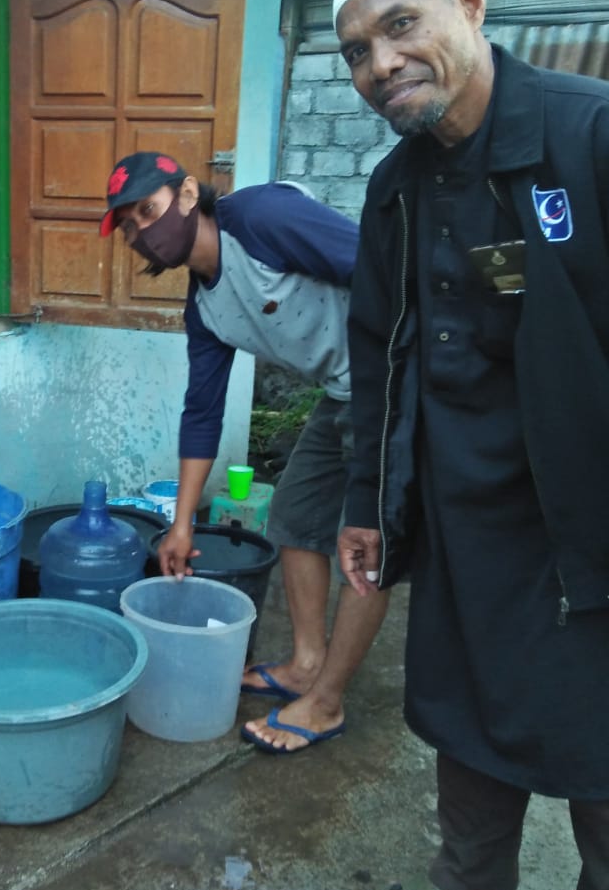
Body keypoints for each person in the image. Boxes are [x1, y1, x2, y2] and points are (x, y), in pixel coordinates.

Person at [332, 0, 609, 890]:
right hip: (471, 563)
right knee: (469, 808)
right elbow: (380, 365)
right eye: (355, 51)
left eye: (400, 25)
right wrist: (370, 504)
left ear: (470, 3)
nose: (380, 64)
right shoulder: (397, 189)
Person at [99, 151, 391, 756]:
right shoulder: (205, 310)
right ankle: (306, 666)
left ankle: (326, 699)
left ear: (185, 195)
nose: (142, 236)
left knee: (369, 542)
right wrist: (180, 526)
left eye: (147, 213)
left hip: (394, 382)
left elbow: (383, 269)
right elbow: (202, 413)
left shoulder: (260, 219)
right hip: (343, 392)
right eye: (128, 229)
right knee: (294, 518)